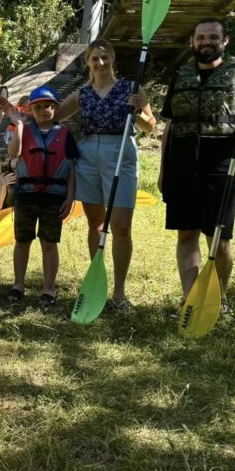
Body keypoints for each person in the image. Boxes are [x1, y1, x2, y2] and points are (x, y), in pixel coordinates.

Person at [159, 18, 235, 310]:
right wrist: (163, 170)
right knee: (186, 235)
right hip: (181, 168)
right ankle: (190, 298)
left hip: (221, 169)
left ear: (225, 41)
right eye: (201, 37)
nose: (206, 42)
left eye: (212, 37)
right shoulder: (181, 74)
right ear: (192, 42)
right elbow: (170, 125)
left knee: (218, 239)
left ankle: (218, 300)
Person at [54, 39, 156, 311]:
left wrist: (138, 112)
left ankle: (120, 293)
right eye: (94, 59)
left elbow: (150, 126)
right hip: (88, 155)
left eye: (104, 57)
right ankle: (96, 283)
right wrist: (22, 114)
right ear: (88, 63)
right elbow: (52, 116)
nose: (100, 63)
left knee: (121, 226)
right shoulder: (82, 94)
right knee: (96, 225)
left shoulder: (130, 88)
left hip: (120, 152)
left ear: (112, 57)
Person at [0, 86, 79, 307]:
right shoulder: (24, 128)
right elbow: (14, 153)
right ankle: (18, 284)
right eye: (39, 107)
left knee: (49, 242)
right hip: (26, 194)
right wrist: (21, 125)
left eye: (48, 106)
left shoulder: (65, 134)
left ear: (56, 108)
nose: (44, 110)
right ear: (31, 109)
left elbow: (71, 168)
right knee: (22, 240)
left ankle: (49, 288)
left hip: (54, 196)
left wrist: (70, 197)